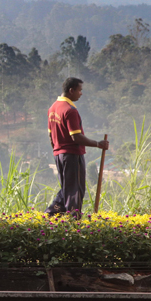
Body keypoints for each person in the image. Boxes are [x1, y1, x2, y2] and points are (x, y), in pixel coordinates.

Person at [46, 77, 109, 218]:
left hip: (59, 154)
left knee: (67, 188)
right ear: (71, 90)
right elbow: (76, 137)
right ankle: (74, 220)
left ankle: (51, 213)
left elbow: (51, 136)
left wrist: (57, 151)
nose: (81, 93)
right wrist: (98, 144)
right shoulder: (70, 110)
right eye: (80, 90)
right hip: (72, 155)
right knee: (75, 190)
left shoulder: (53, 108)